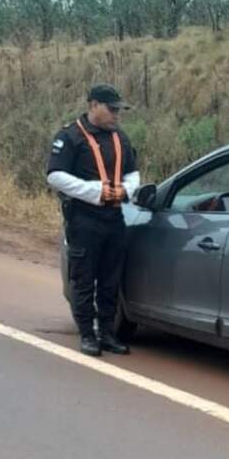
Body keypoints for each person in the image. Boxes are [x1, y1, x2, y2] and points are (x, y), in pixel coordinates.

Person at [46, 85, 140, 356]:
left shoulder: (120, 137)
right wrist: (96, 191)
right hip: (84, 220)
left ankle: (108, 332)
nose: (116, 115)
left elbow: (133, 173)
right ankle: (87, 334)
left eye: (119, 110)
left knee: (111, 279)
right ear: (94, 105)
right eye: (112, 109)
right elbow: (55, 176)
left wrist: (126, 190)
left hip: (114, 217)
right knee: (84, 279)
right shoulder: (70, 136)